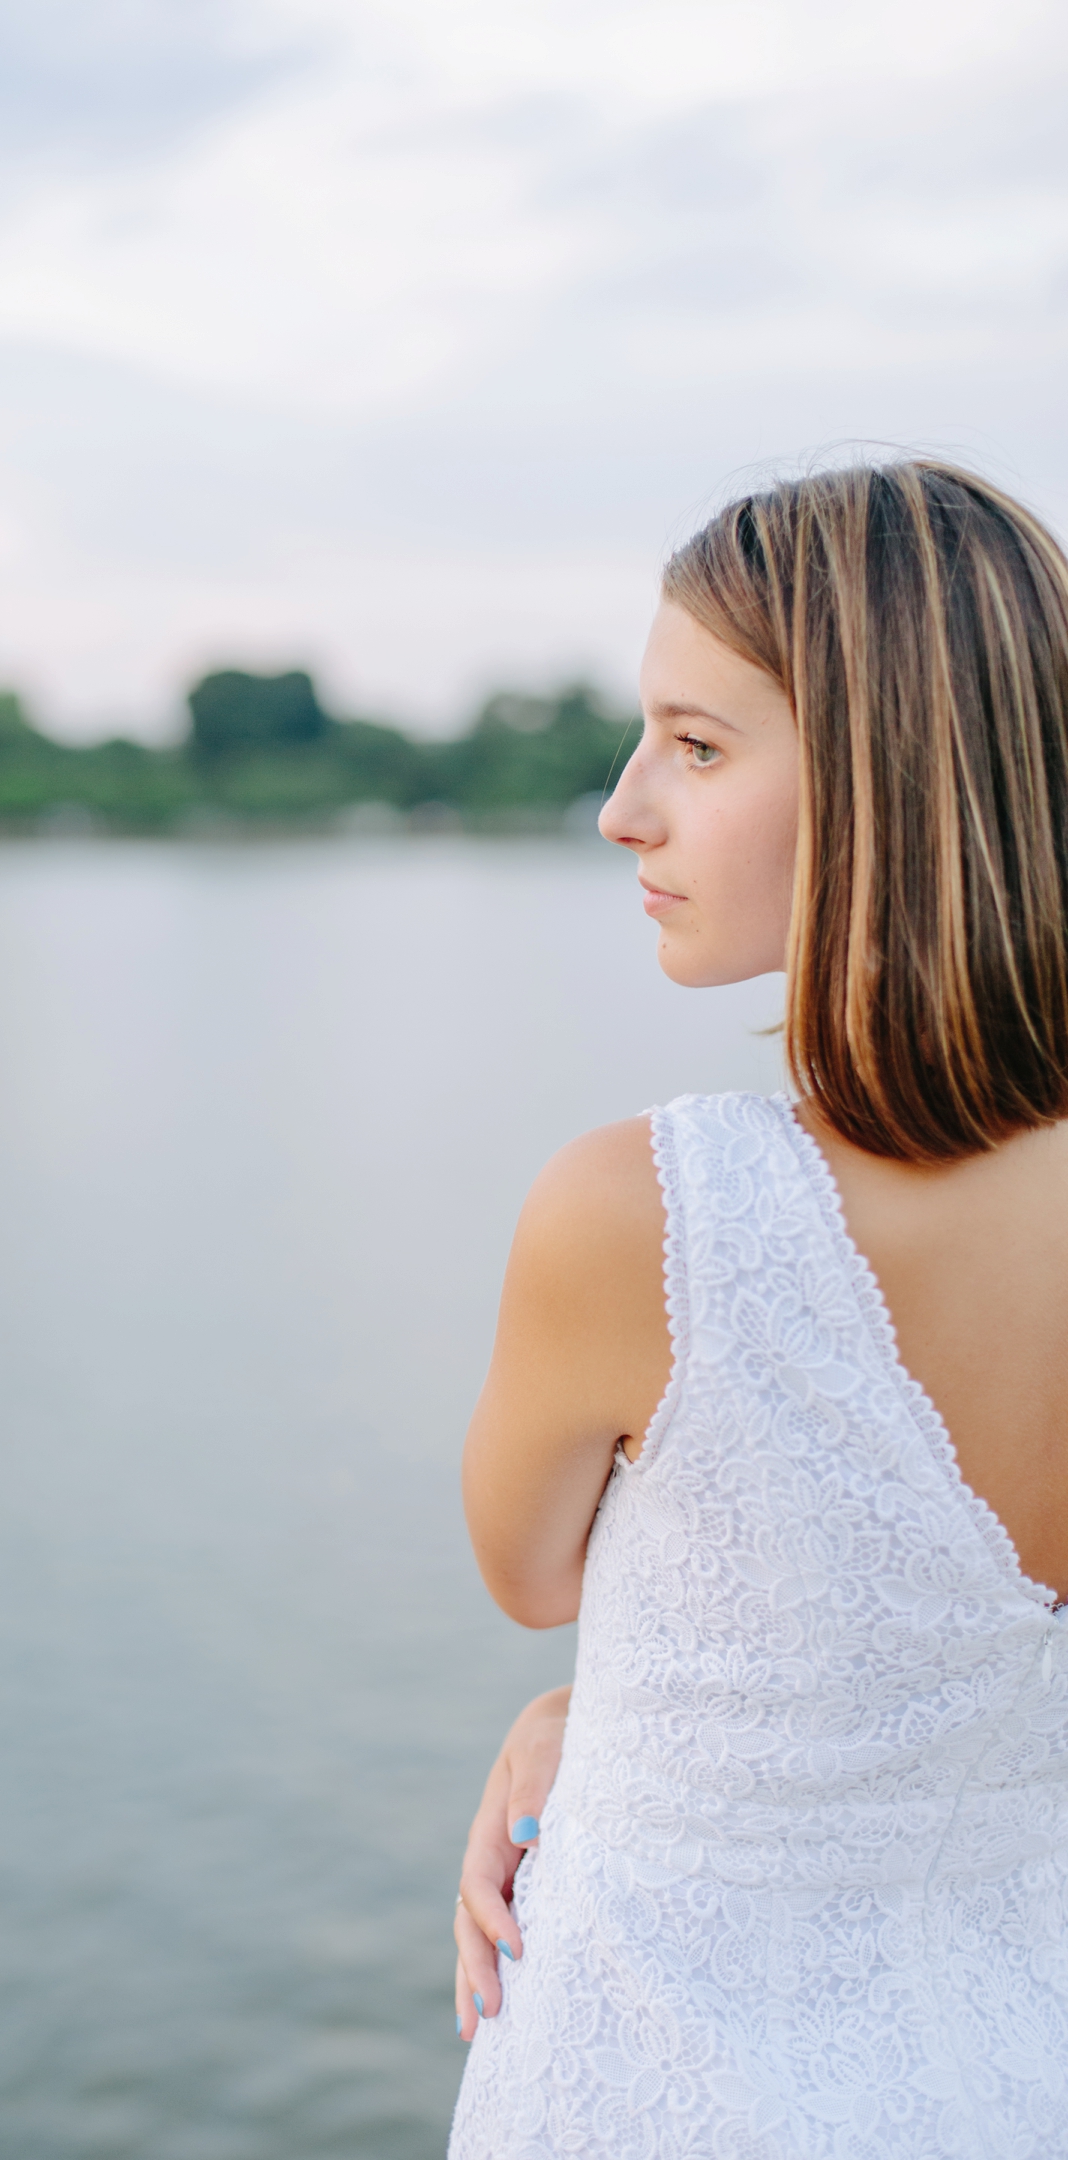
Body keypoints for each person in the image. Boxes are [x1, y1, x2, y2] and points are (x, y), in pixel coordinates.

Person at [447, 459, 1068, 2159]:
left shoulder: (641, 1217)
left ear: (891, 786)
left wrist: (594, 1703)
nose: (622, 807)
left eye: (698, 747)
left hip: (662, 2078)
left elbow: (531, 1574)